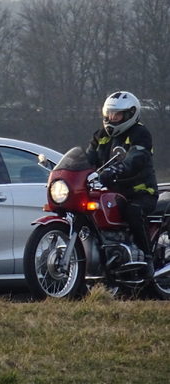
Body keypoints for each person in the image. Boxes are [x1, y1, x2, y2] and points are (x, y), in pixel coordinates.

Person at [87, 91, 158, 278]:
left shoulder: (140, 134)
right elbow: (88, 158)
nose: (112, 118)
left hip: (140, 192)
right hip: (111, 192)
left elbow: (137, 157)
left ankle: (148, 259)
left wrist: (118, 169)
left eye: (117, 115)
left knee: (133, 212)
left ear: (129, 114)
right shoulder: (101, 135)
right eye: (110, 113)